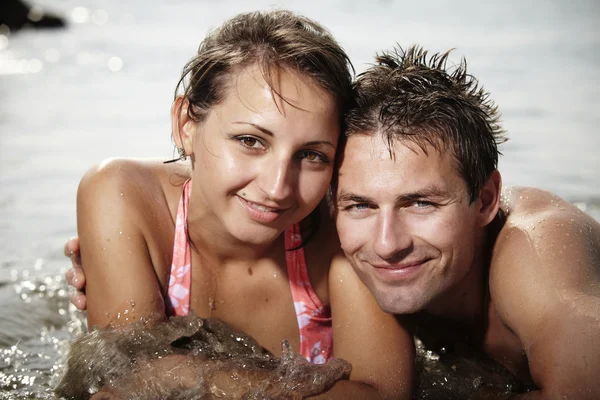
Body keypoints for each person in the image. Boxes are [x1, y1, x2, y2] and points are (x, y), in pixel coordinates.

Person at [63, 10, 413, 399]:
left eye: (312, 155)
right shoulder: (124, 195)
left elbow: (385, 394)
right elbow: (126, 379)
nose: (278, 188)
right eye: (251, 141)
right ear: (186, 124)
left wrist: (187, 372)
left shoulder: (344, 238)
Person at [333, 45, 600, 398]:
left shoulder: (538, 251)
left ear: (485, 200)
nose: (387, 244)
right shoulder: (347, 246)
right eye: (361, 206)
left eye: (421, 203)